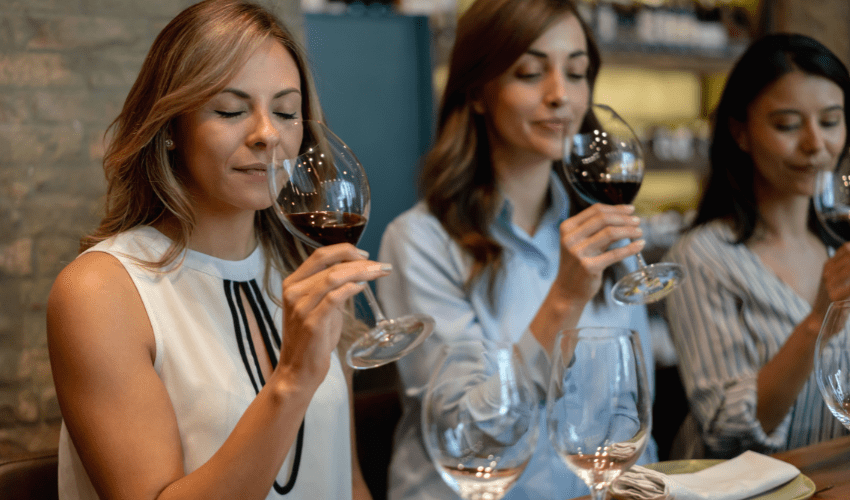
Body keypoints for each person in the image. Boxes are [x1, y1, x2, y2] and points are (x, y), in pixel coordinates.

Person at [46, 1, 382, 498]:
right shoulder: (102, 292)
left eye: (287, 112)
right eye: (231, 110)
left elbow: (346, 481)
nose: (267, 135)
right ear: (171, 129)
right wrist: (290, 380)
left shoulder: (303, 272)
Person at [376, 0, 658, 498]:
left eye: (576, 73)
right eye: (530, 73)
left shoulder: (602, 229)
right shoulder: (419, 241)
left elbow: (631, 419)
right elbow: (471, 438)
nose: (560, 96)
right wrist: (565, 299)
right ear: (479, 92)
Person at [665, 33, 850, 459]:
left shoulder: (836, 245)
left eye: (830, 121)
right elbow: (726, 433)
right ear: (740, 132)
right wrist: (819, 319)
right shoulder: (702, 256)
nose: (815, 145)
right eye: (787, 124)